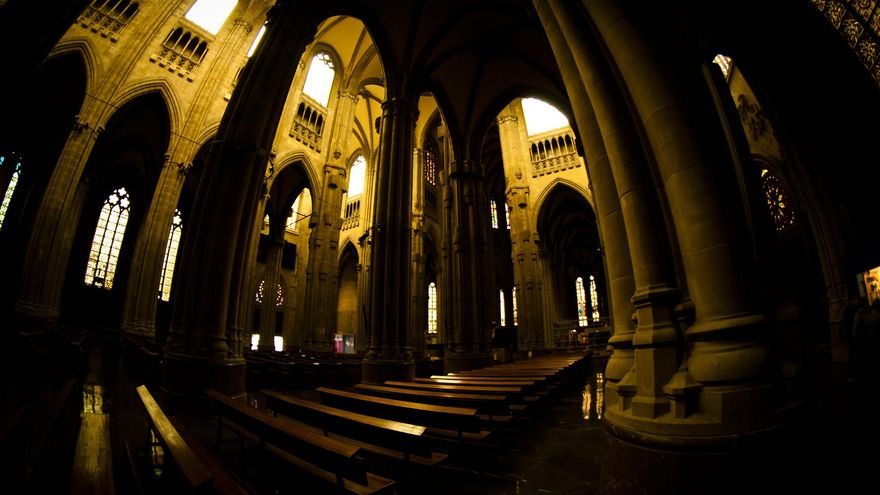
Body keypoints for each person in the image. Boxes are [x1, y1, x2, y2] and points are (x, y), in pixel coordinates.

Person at [852, 298, 880, 386]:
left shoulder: (859, 315)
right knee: (874, 361)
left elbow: (855, 331)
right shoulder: (875, 314)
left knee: (866, 363)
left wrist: (855, 340)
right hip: (874, 340)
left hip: (864, 342)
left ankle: (867, 381)